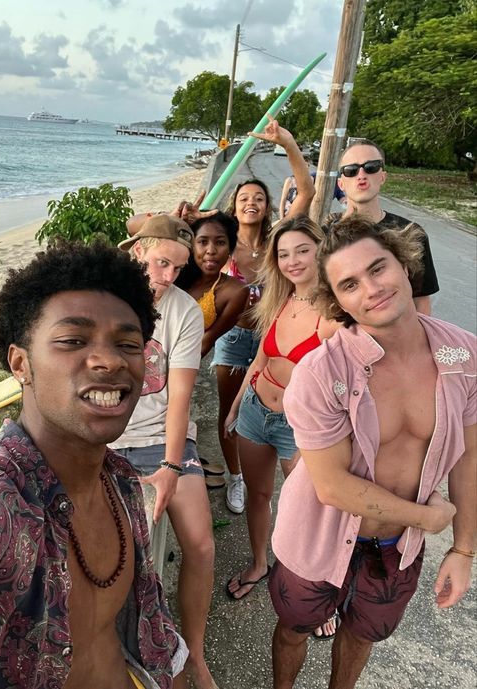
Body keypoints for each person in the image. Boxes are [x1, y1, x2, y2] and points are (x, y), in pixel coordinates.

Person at [0, 241, 189, 689]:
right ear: (20, 362)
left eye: (128, 343)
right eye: (73, 340)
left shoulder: (122, 483)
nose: (109, 359)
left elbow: (150, 628)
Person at [268, 216, 476, 689]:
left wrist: (463, 550)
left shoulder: (463, 357)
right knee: (294, 627)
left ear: (405, 266)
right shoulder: (322, 373)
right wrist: (428, 520)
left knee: (363, 637)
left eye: (378, 268)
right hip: (316, 541)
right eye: (349, 284)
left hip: (395, 549)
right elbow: (332, 485)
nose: (371, 288)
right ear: (337, 301)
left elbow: (468, 458)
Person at [111, 215, 217, 689]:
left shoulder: (185, 312)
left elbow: (179, 399)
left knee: (200, 543)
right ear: (138, 254)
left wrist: (173, 465)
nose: (168, 277)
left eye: (177, 268)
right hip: (107, 441)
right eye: (160, 264)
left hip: (161, 438)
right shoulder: (106, 300)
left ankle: (193, 653)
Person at [223, 215, 339, 603]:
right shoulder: (279, 298)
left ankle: (313, 589)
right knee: (259, 495)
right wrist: (237, 405)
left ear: (321, 250)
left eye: (303, 250)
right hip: (257, 412)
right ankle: (260, 563)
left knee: (310, 509)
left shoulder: (334, 313)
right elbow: (259, 359)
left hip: (298, 426)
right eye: (284, 254)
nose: (293, 261)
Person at [213, 116, 316, 515]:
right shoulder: (221, 245)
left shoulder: (278, 240)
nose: (251, 203)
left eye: (258, 197)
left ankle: (288, 485)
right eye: (243, 199)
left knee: (284, 413)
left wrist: (287, 142)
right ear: (234, 208)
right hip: (234, 338)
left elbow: (306, 190)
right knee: (229, 413)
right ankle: (235, 476)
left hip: (276, 338)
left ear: (266, 205)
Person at [327, 138, 439, 315]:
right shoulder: (326, 235)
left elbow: (420, 301)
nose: (361, 175)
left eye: (371, 167)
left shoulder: (411, 232)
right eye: (351, 171)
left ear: (382, 176)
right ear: (341, 183)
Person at [174, 211, 248, 358]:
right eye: (202, 242)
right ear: (192, 245)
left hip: (179, 367)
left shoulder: (235, 292)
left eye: (220, 242)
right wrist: (172, 219)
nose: (211, 251)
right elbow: (132, 226)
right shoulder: (171, 271)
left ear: (230, 249)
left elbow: (205, 343)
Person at [280, 170, 345, 218]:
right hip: (298, 216)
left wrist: (348, 207)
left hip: (319, 217)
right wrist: (282, 218)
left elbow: (342, 199)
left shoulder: (336, 186)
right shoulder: (316, 176)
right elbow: (284, 200)